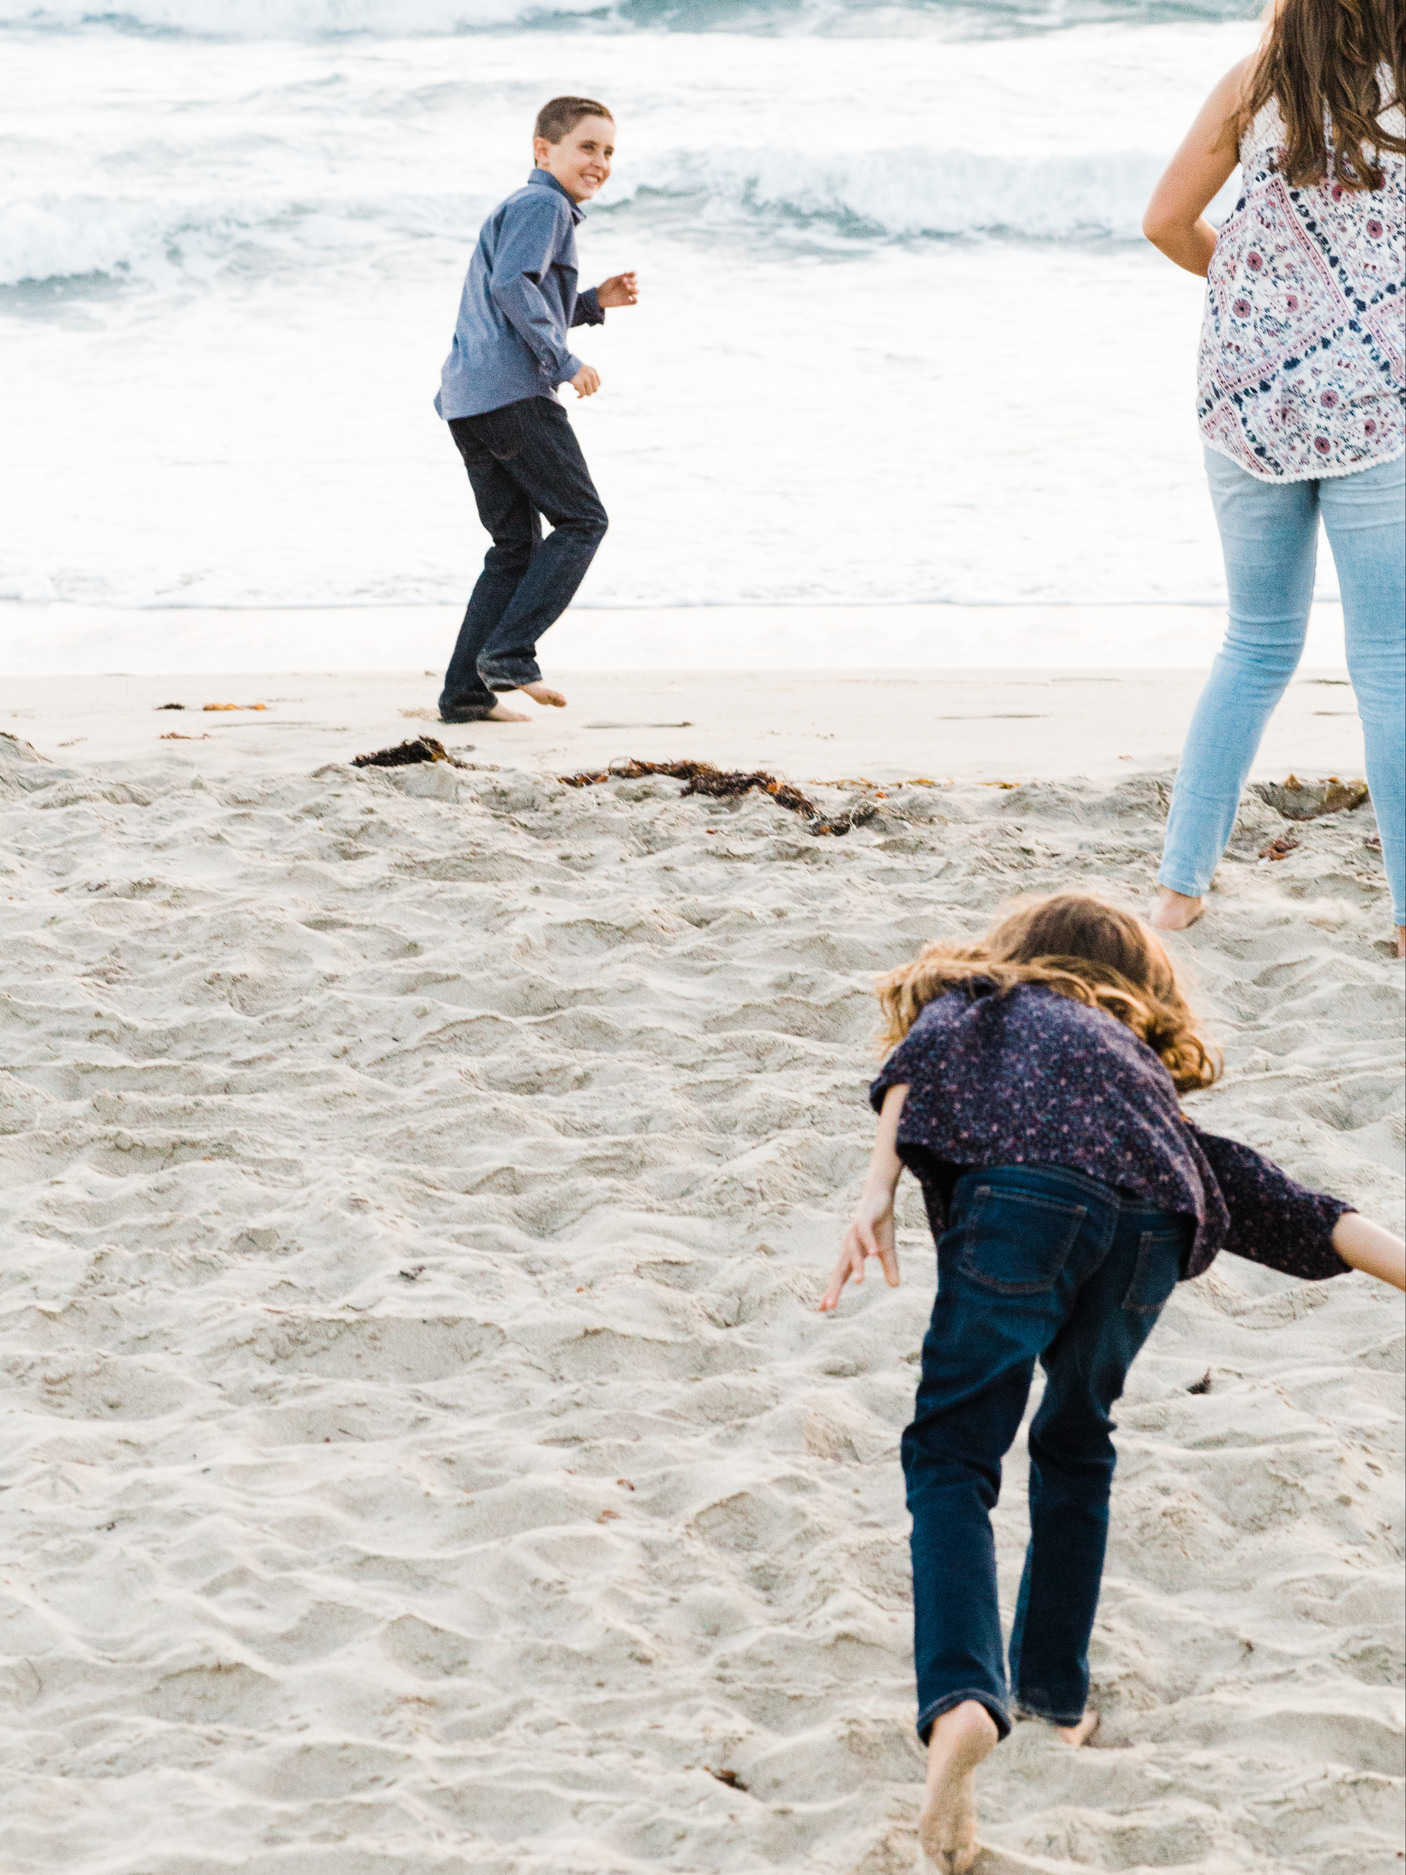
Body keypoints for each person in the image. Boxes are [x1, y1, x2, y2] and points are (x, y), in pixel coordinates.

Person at [818, 894, 1405, 1875]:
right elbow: (1299, 1212)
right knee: (1074, 1446)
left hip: (1021, 1203)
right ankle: (1051, 1696)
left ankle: (964, 1696)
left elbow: (911, 1061)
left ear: (1014, 954)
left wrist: (875, 1190)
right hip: (1150, 1223)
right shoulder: (1145, 1099)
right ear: (1141, 993)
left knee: (952, 1456)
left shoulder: (981, 996)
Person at [1140, 0, 1404, 955]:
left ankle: (1177, 893)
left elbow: (1166, 222)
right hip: (1379, 403)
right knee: (1390, 667)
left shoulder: (1257, 82)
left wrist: (1264, 303)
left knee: (1252, 646)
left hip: (1249, 395)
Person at [433, 96, 638, 725]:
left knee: (514, 548)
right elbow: (511, 287)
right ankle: (511, 655)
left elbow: (519, 294)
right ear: (542, 150)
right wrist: (562, 362)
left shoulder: (533, 209)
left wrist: (590, 303)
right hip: (514, 395)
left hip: (472, 400)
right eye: (587, 146)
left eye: (608, 151)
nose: (600, 161)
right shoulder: (544, 204)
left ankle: (466, 695)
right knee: (582, 521)